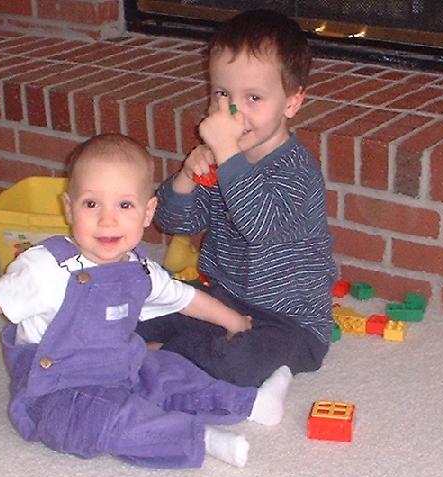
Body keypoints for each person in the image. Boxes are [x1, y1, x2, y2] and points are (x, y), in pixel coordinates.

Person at [0, 133, 294, 469]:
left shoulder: (140, 269)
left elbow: (185, 299)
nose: (107, 219)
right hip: (56, 390)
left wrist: (233, 321)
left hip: (120, 367)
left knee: (170, 372)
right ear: (69, 208)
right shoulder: (45, 268)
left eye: (124, 205)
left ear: (147, 212)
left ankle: (252, 404)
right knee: (104, 421)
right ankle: (197, 439)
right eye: (91, 203)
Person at [135, 8, 337, 389]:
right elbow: (175, 222)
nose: (234, 110)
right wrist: (187, 176)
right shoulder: (221, 157)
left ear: (291, 103)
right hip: (222, 300)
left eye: (254, 97)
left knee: (238, 363)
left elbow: (260, 226)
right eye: (222, 93)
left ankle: (164, 354)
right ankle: (156, 346)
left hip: (289, 322)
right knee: (140, 305)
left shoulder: (298, 170)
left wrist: (227, 152)